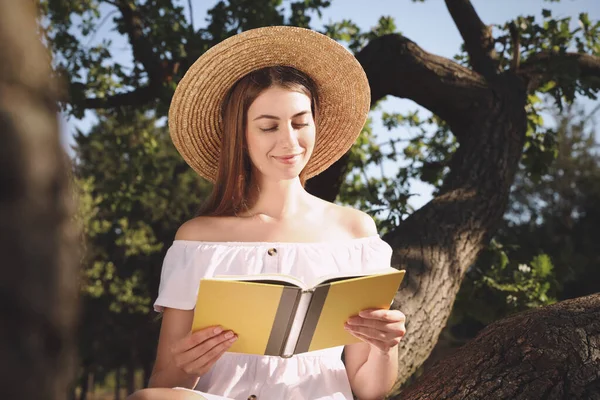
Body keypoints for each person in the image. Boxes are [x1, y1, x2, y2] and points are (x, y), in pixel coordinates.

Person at [128, 26, 406, 400]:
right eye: (268, 126)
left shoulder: (355, 232)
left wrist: (386, 347)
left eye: (300, 122)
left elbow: (369, 390)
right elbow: (164, 382)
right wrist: (190, 367)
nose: (289, 141)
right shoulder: (198, 238)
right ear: (241, 135)